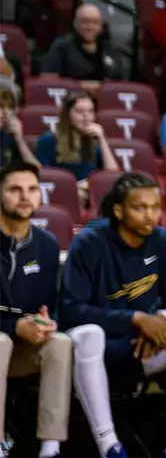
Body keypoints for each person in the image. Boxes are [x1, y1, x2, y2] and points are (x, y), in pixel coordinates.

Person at [62, 172, 166, 458]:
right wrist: (136, 319)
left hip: (145, 346)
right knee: (88, 334)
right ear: (118, 210)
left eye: (155, 207)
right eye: (140, 208)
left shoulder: (163, 241)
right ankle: (109, 446)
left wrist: (161, 321)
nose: (150, 215)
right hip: (100, 349)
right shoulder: (89, 243)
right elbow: (71, 311)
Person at [0, 163, 72, 458]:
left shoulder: (48, 245)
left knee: (61, 344)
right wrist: (14, 326)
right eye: (15, 190)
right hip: (3, 341)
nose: (25, 196)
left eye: (32, 189)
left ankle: (50, 447)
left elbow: (49, 305)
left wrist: (44, 323)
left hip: (23, 347)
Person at [34, 92, 116, 187]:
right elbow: (45, 178)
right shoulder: (49, 140)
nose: (86, 115)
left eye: (90, 111)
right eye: (80, 111)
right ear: (68, 114)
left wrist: (102, 139)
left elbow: (112, 175)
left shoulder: (95, 144)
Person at [41, 4, 125, 93]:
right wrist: (83, 87)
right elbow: (48, 80)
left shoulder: (109, 48)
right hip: (69, 98)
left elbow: (119, 82)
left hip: (104, 99)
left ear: (101, 26)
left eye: (94, 22)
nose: (90, 26)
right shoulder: (62, 46)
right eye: (85, 22)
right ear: (75, 23)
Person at [0, 87, 37, 167]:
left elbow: (36, 169)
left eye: (10, 108)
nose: (5, 112)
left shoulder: (10, 136)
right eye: (1, 107)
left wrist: (19, 140)